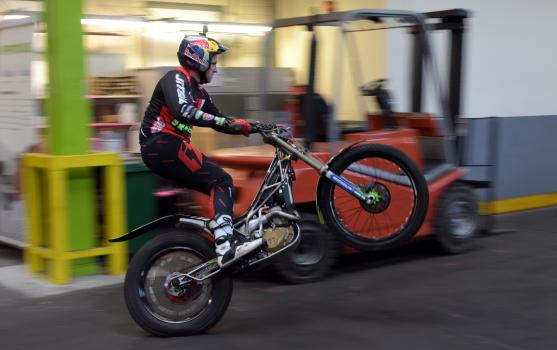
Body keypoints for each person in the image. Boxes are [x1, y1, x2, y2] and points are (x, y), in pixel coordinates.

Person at [139, 35, 260, 267]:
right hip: (161, 143)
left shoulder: (200, 93)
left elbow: (221, 120)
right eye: (213, 63)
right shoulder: (176, 77)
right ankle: (225, 245)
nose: (216, 69)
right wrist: (227, 123)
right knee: (222, 181)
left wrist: (255, 126)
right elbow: (182, 109)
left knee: (219, 184)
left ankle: (223, 234)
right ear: (199, 60)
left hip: (168, 148)